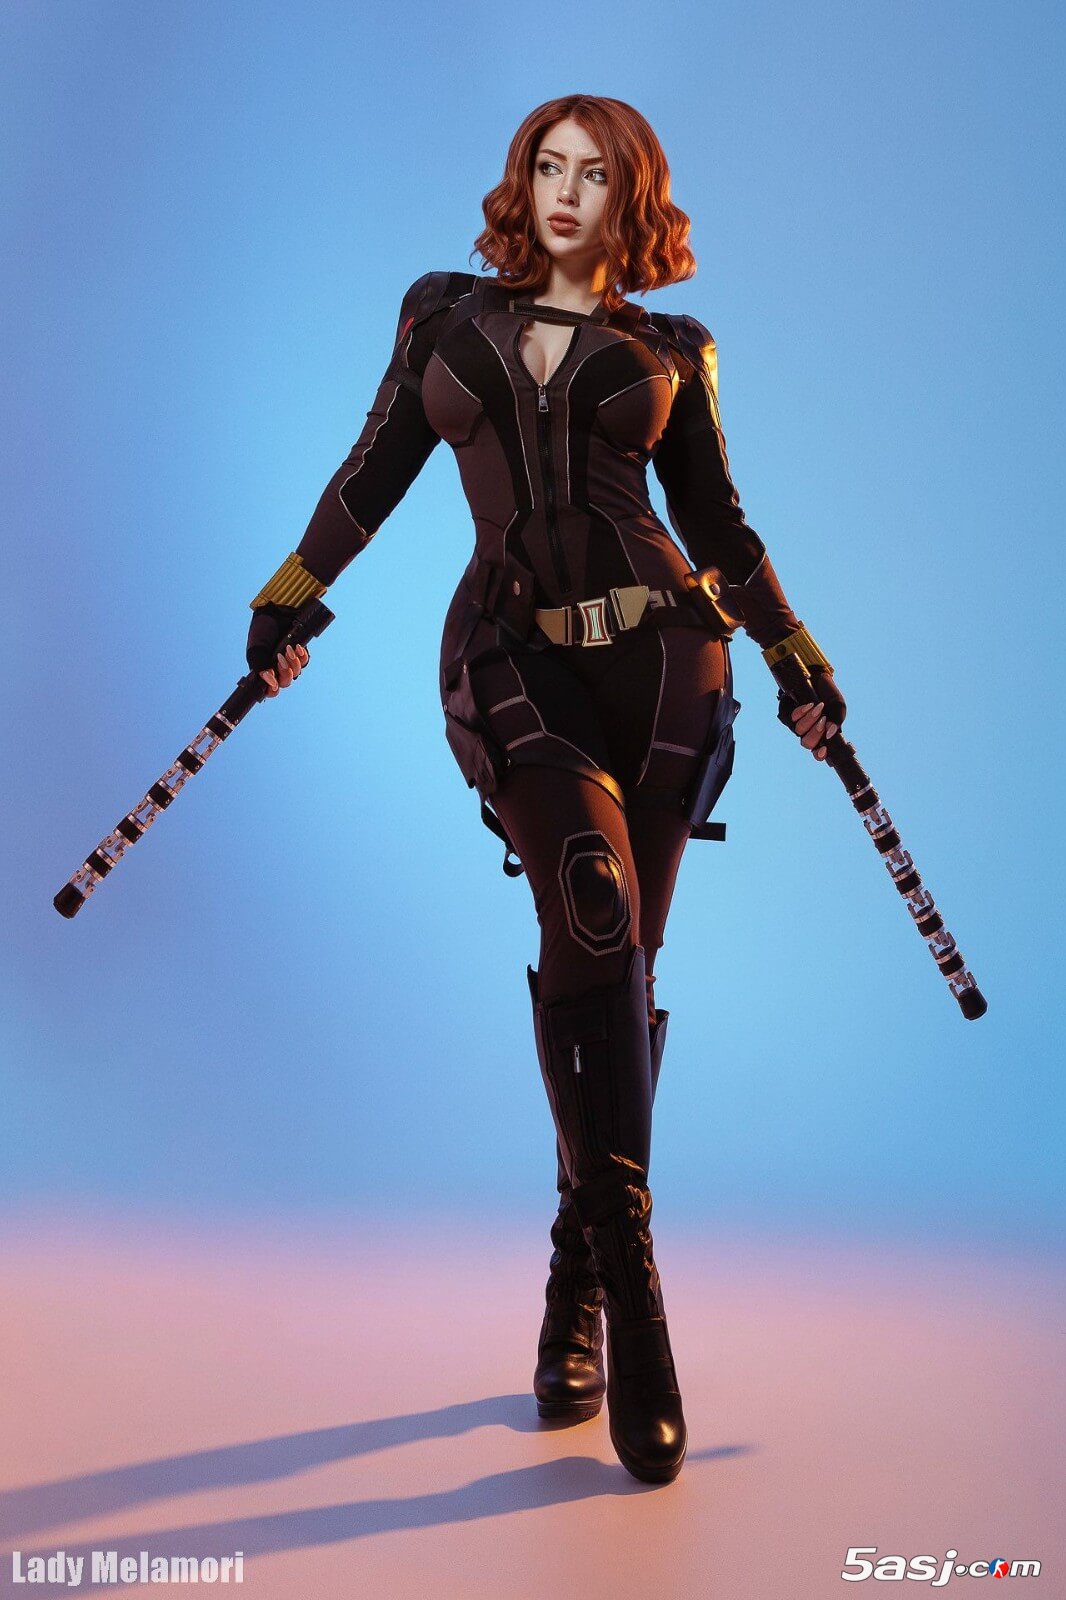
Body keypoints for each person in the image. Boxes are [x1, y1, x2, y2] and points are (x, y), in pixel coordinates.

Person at [244, 94, 846, 1485]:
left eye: (594, 173)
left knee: (618, 967)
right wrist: (288, 593)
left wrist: (798, 659)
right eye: (545, 165)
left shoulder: (673, 349)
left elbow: (718, 525)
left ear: (634, 197)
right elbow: (373, 471)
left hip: (669, 667)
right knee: (589, 905)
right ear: (522, 181)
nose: (565, 190)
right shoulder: (442, 316)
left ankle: (576, 1272)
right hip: (510, 653)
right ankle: (639, 1303)